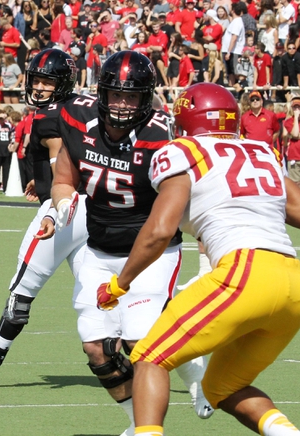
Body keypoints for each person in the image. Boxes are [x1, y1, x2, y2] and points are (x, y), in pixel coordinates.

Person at [98, 82, 300, 436]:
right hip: (295, 285)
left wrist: (121, 282)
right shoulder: (260, 150)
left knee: (150, 357)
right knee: (222, 388)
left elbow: (160, 230)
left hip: (242, 273)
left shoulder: (183, 151)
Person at [50, 51, 212, 436]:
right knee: (96, 349)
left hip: (154, 251)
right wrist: (60, 205)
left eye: (132, 97)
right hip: (97, 250)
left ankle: (186, 384)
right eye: (116, 95)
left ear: (146, 98)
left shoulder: (163, 137)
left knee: (140, 343)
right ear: (102, 93)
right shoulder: (77, 118)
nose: (123, 105)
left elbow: (193, 201)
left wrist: (206, 251)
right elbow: (62, 178)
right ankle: (135, 423)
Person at [0, 49, 89, 390]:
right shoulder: (83, 107)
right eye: (37, 80)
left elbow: (61, 160)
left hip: (63, 211)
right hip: (92, 210)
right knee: (97, 296)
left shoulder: (49, 117)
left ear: (64, 83)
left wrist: (56, 201)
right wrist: (40, 180)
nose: (40, 88)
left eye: (47, 81)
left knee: (22, 291)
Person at [284, 95, 300, 191]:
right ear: (292, 108)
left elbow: (295, 135)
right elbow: (295, 133)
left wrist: (295, 136)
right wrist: (296, 118)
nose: (297, 109)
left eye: (298, 107)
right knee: (295, 185)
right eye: (295, 107)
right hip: (294, 156)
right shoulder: (288, 121)